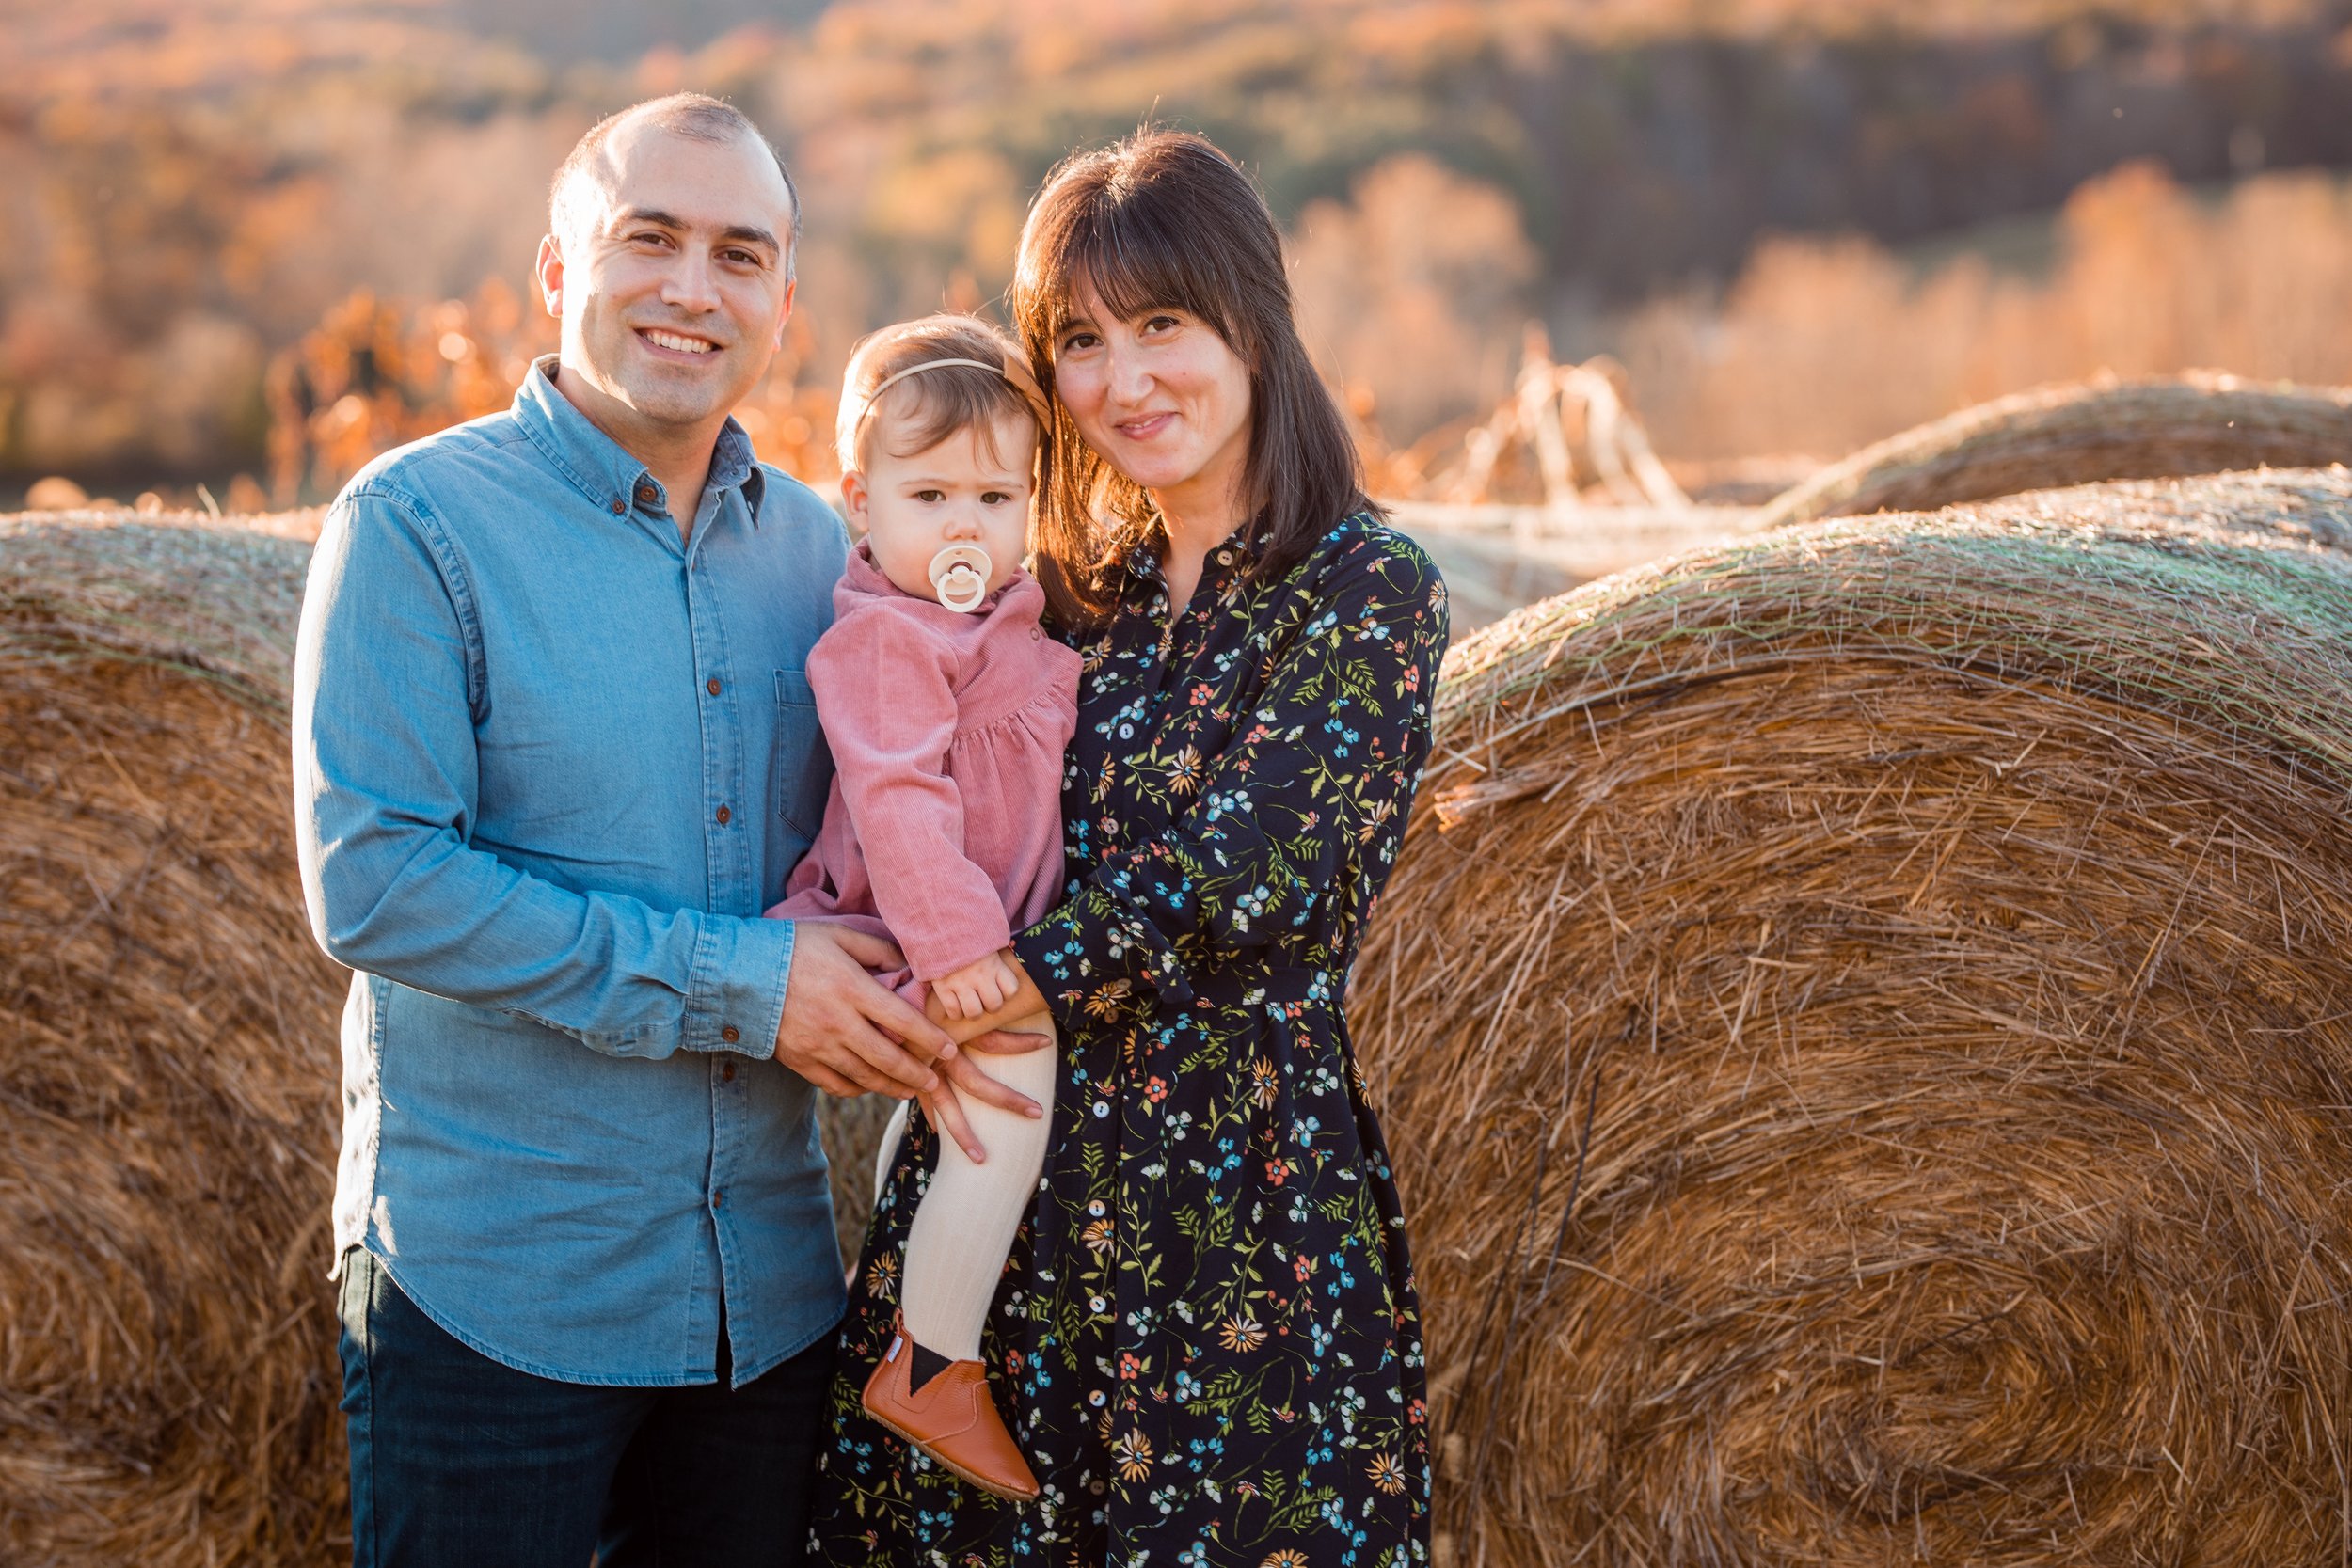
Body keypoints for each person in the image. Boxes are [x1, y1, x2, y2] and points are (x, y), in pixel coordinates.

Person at [291, 93, 1034, 1568]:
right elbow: (375, 881)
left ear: (785, 306)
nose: (694, 288)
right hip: (495, 1296)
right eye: (653, 239)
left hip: (762, 1306)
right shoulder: (417, 525)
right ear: (559, 273)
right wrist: (743, 985)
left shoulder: (833, 555)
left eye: (740, 254)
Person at [809, 128, 1449, 1568]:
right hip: (1013, 1203)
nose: (1124, 378)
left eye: (1162, 323)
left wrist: (982, 980)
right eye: (1081, 341)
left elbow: (1255, 878)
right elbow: (908, 781)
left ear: (1252, 315)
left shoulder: (1360, 589)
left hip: (1231, 1212)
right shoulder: (1059, 603)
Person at [763, 313, 1079, 1499]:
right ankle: (935, 1359)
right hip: (916, 933)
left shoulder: (997, 617)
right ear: (862, 501)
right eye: (931, 493)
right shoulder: (886, 639)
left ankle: (892, 1279)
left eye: (996, 498)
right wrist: (961, 953)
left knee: (944, 1123)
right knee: (1015, 1064)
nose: (965, 525)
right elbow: (897, 805)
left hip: (967, 932)